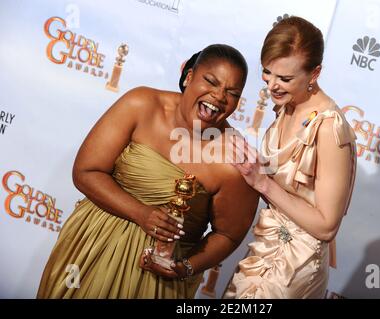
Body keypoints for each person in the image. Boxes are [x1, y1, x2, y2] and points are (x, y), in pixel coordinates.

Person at [37, 44, 259, 299]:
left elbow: (228, 235)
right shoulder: (141, 104)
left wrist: (185, 268)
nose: (219, 97)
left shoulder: (234, 159)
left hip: (155, 278)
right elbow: (86, 171)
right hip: (92, 246)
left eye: (232, 93)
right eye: (210, 81)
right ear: (189, 77)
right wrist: (142, 214)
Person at [225, 16, 357, 299]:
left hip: (297, 266)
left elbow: (327, 225)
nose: (272, 86)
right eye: (267, 73)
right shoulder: (287, 104)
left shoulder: (329, 127)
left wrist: (263, 183)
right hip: (265, 247)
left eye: (285, 78)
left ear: (314, 73)